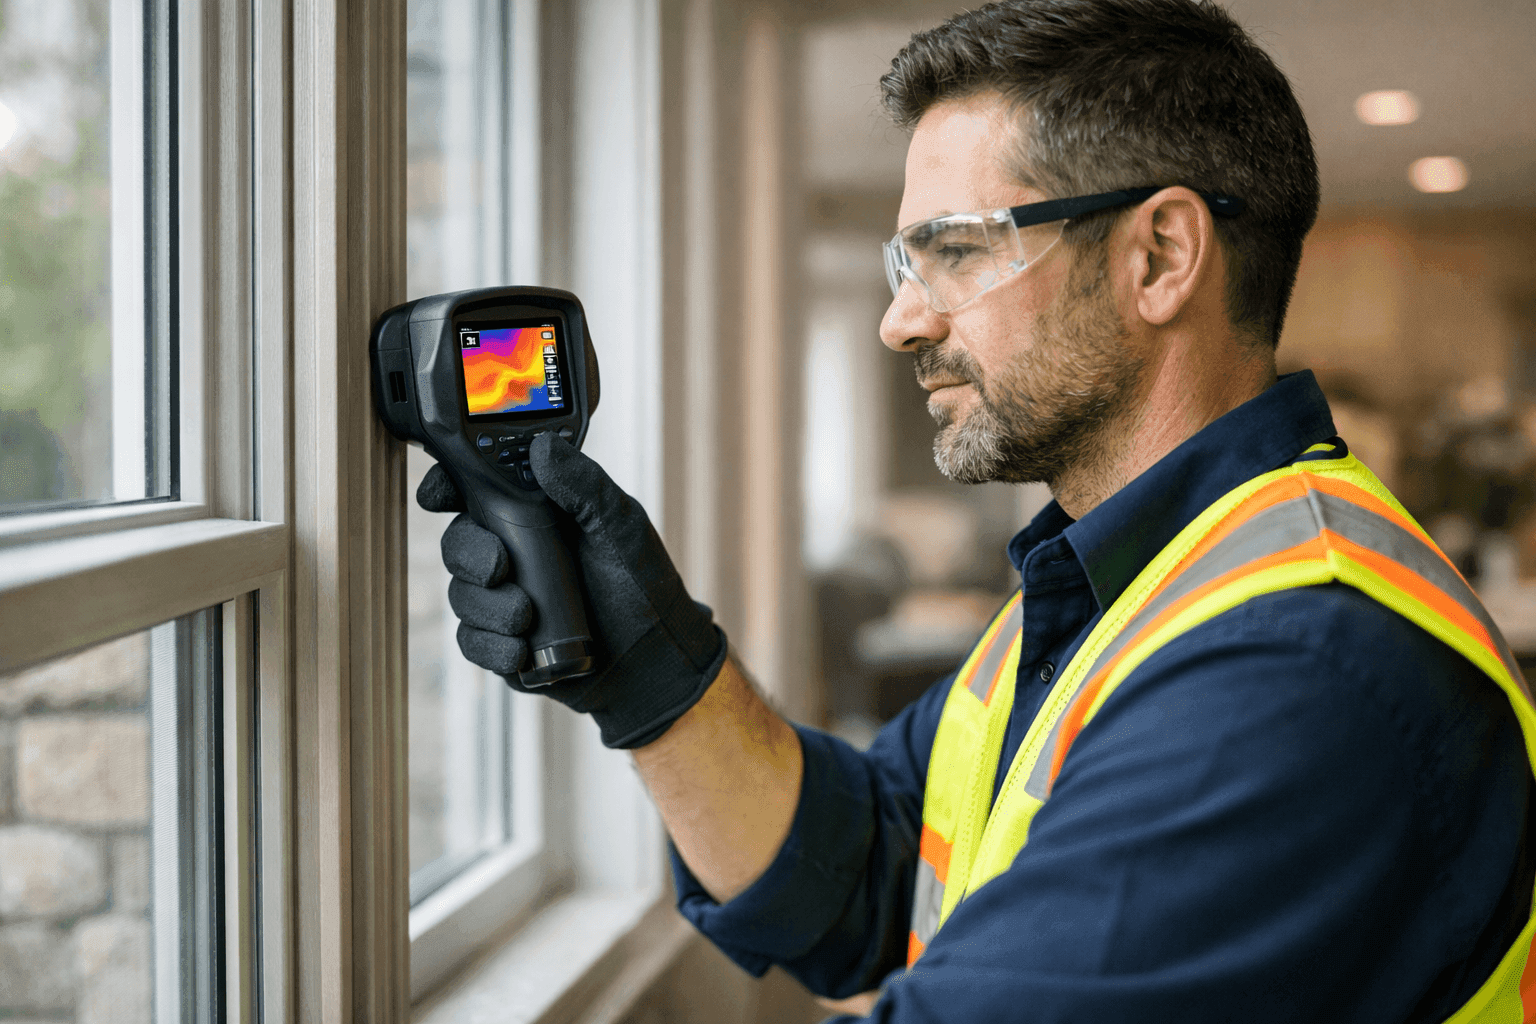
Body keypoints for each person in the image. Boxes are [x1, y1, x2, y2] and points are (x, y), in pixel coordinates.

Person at [416, 1, 1536, 1020]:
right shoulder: (1118, 589)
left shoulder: (1297, 666)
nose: (902, 319)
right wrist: (656, 673)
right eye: (907, 258)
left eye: (955, 249)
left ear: (1159, 256)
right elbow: (862, 879)